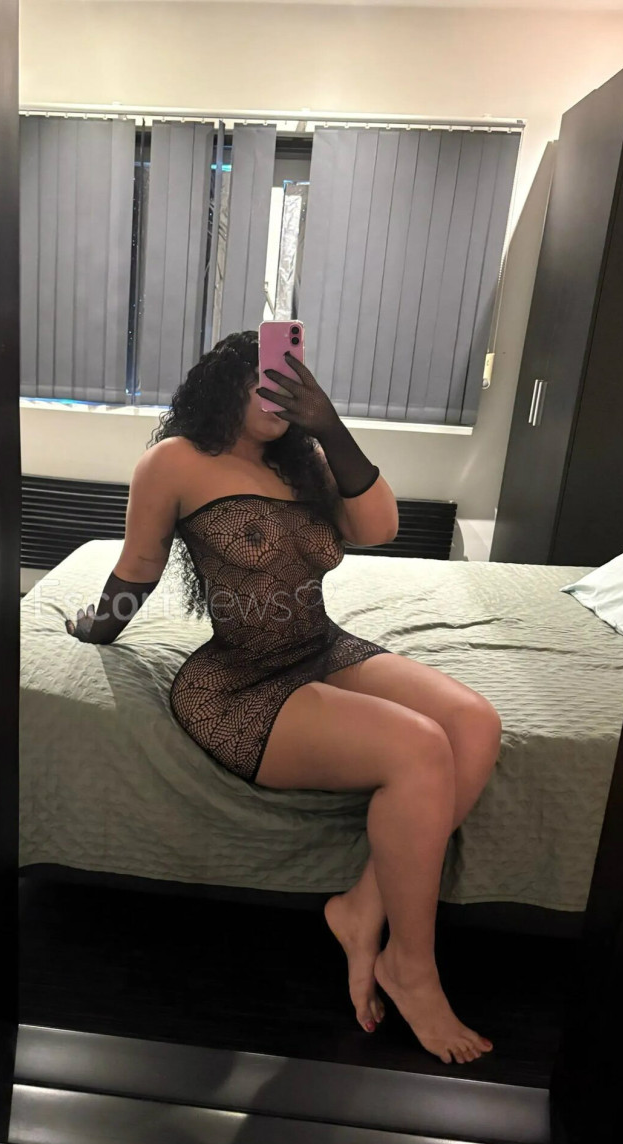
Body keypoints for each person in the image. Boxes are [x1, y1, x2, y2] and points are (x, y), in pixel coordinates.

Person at [64, 329, 502, 1065]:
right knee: (420, 748)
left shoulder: (304, 463)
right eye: (263, 379)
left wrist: (328, 425)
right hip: (240, 680)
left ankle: (361, 909)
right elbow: (138, 565)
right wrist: (94, 627)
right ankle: (411, 969)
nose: (277, 395)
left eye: (290, 380)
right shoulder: (175, 461)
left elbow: (380, 527)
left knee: (474, 722)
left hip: (320, 647)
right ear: (225, 385)